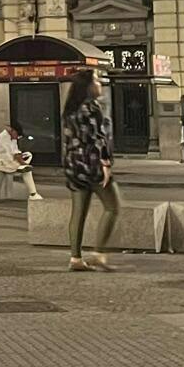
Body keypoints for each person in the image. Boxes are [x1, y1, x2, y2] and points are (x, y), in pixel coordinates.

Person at [61, 68, 120, 272]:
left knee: (78, 212)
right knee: (113, 207)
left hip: (73, 164)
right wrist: (105, 164)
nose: (100, 84)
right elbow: (97, 139)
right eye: (96, 81)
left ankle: (75, 258)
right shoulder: (91, 108)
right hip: (92, 164)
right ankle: (98, 255)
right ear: (87, 87)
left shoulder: (71, 109)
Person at [0, 123, 41, 202]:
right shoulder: (4, 137)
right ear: (13, 131)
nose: (17, 137)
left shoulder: (12, 137)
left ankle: (33, 193)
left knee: (29, 155)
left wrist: (22, 158)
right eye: (17, 135)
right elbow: (14, 154)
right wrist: (23, 163)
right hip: (1, 163)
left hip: (8, 160)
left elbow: (16, 152)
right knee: (26, 170)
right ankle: (33, 194)